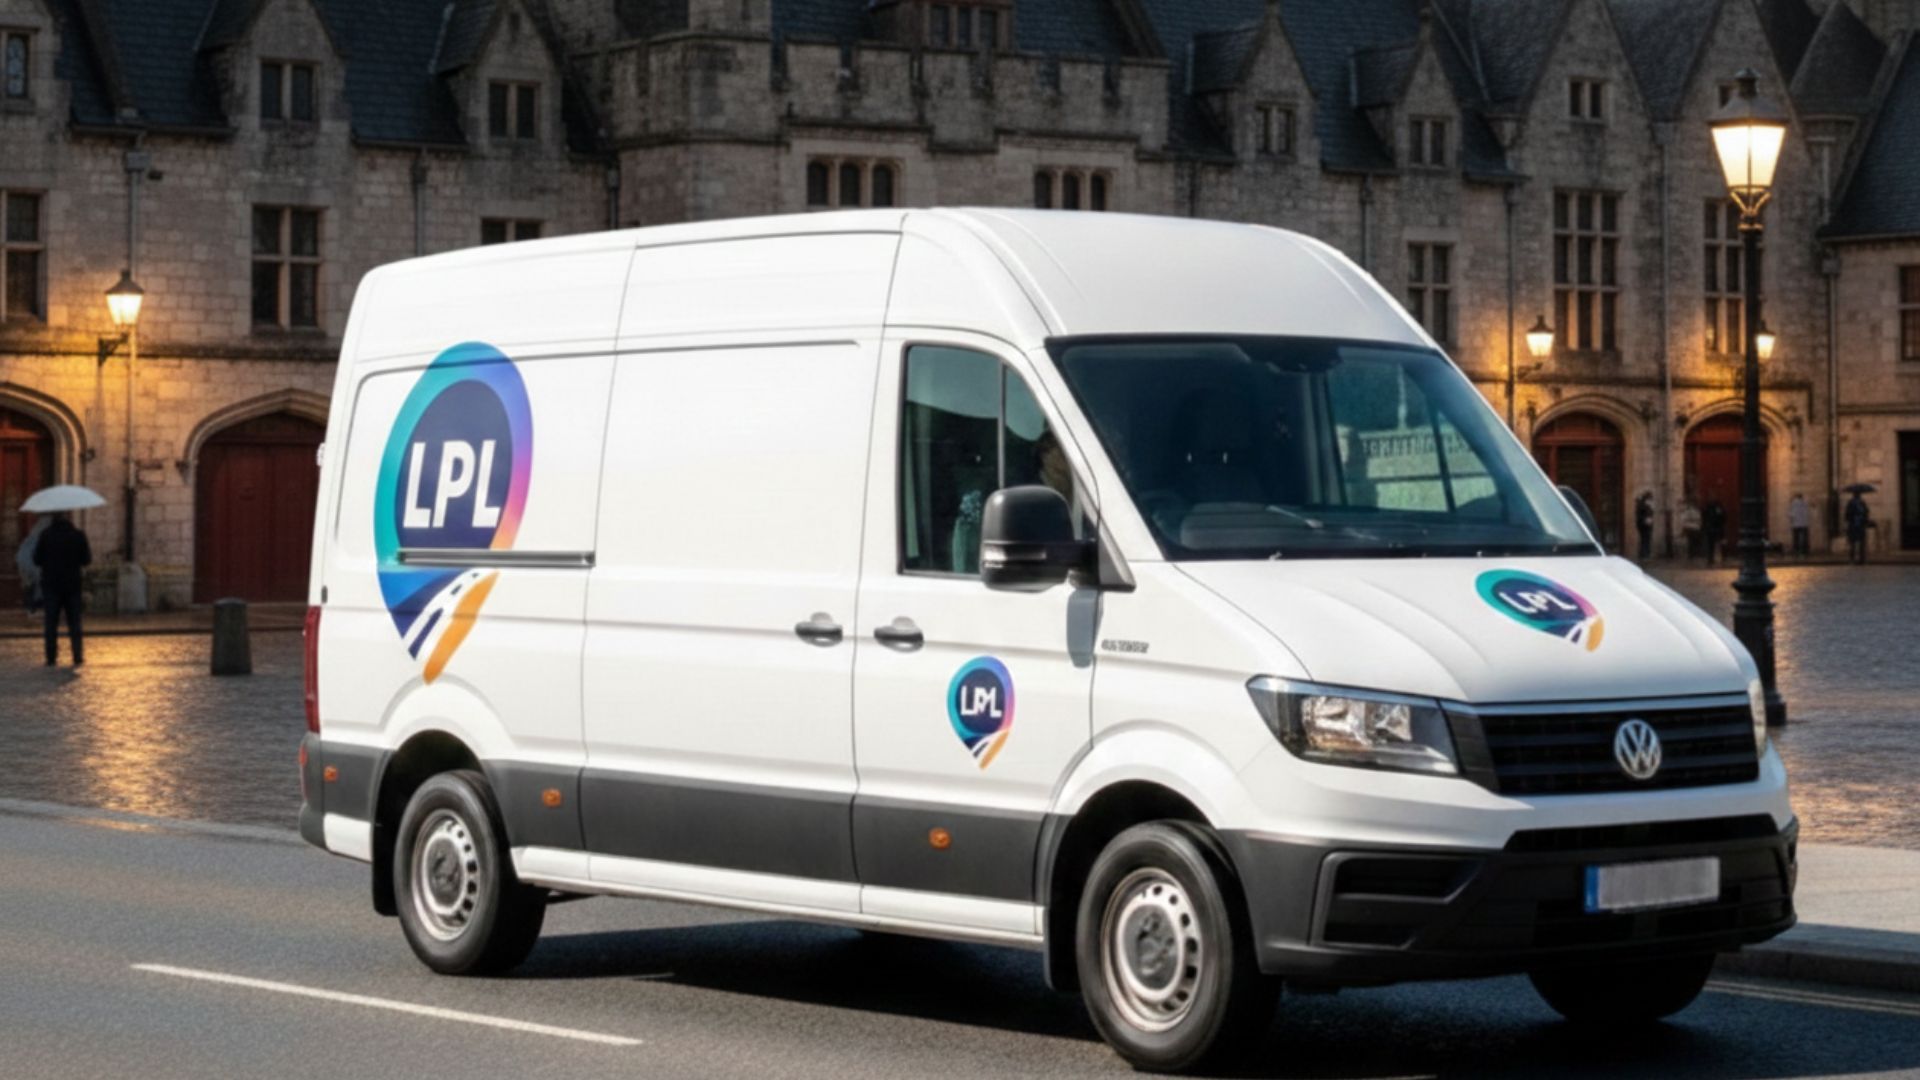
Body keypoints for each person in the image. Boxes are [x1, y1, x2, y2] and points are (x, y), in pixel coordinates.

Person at [31, 512, 90, 667]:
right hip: (72, 585)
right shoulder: (78, 535)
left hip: (51, 585)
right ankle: (77, 655)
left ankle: (51, 657)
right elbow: (86, 559)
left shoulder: (46, 535)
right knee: (74, 622)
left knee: (51, 623)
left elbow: (36, 559)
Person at [14, 516, 47, 619]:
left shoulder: (32, 539)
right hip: (34, 569)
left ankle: (32, 609)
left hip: (31, 569)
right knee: (33, 587)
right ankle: (33, 608)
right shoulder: (36, 539)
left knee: (31, 587)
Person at [1845, 491, 1871, 565]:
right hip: (1861, 525)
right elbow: (1866, 512)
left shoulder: (1850, 503)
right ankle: (1862, 559)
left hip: (1853, 525)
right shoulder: (1862, 503)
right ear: (1859, 495)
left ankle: (1852, 560)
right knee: (1861, 543)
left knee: (1852, 543)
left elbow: (1847, 515)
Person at [1702, 498, 1727, 566]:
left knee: (1712, 544)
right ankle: (1720, 557)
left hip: (1712, 528)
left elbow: (1704, 517)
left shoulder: (1709, 508)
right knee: (1719, 543)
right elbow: (1723, 517)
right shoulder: (1718, 508)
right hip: (1717, 528)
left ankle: (1711, 558)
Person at [1788, 493, 1811, 558]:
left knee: (1796, 538)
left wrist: (1791, 519)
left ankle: (1796, 550)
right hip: (1805, 523)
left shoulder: (1793, 503)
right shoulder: (1805, 502)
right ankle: (1805, 551)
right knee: (1805, 538)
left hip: (1796, 524)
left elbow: (1791, 514)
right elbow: (1808, 512)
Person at [1680, 499, 1702, 563]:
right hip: (1693, 528)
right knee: (1692, 542)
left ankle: (1692, 555)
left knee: (1692, 542)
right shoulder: (1692, 511)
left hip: (1692, 527)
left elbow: (1684, 520)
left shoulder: (1691, 511)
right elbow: (1698, 519)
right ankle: (1692, 555)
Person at [1634, 491, 1655, 561]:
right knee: (1645, 539)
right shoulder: (1644, 505)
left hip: (1644, 524)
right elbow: (1646, 514)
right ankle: (1645, 554)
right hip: (1644, 524)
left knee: (1645, 539)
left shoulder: (1643, 505)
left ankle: (1644, 554)